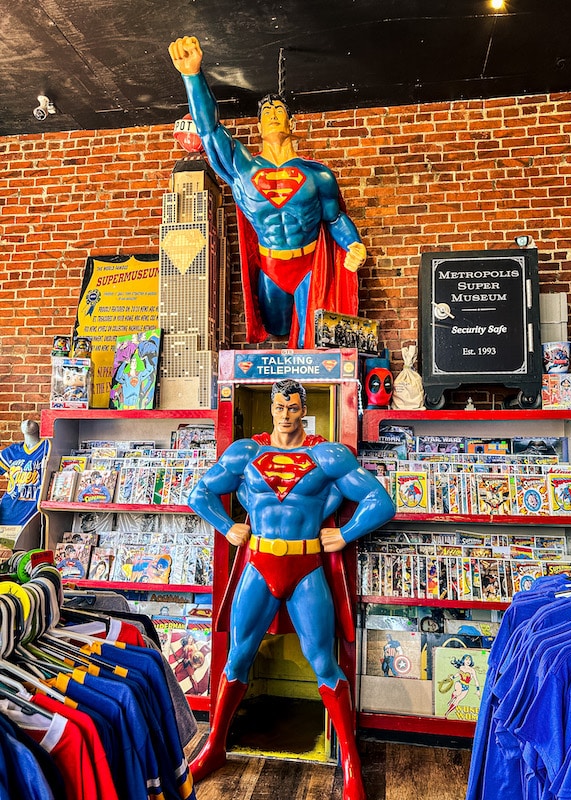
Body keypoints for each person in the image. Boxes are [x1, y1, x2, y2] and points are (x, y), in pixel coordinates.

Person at [187, 378, 395, 800]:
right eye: (279, 407)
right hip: (259, 564)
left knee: (322, 660)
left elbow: (381, 501)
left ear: (304, 409)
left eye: (293, 407)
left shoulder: (327, 455)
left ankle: (351, 762)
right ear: (271, 407)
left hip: (305, 567)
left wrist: (347, 532)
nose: (285, 415)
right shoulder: (248, 452)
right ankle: (215, 746)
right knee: (239, 654)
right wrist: (227, 526)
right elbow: (199, 492)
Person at [168, 36, 367, 349]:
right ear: (258, 126)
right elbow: (209, 130)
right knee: (276, 329)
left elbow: (335, 217)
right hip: (270, 266)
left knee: (307, 344)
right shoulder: (242, 169)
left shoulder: (318, 175)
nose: (273, 112)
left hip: (307, 266)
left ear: (291, 121)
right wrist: (192, 75)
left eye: (279, 109)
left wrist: (354, 244)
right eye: (266, 111)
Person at [0, 420, 49, 527]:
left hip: (33, 515)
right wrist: (7, 475)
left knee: (29, 543)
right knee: (6, 543)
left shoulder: (47, 448)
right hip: (7, 512)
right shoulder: (12, 451)